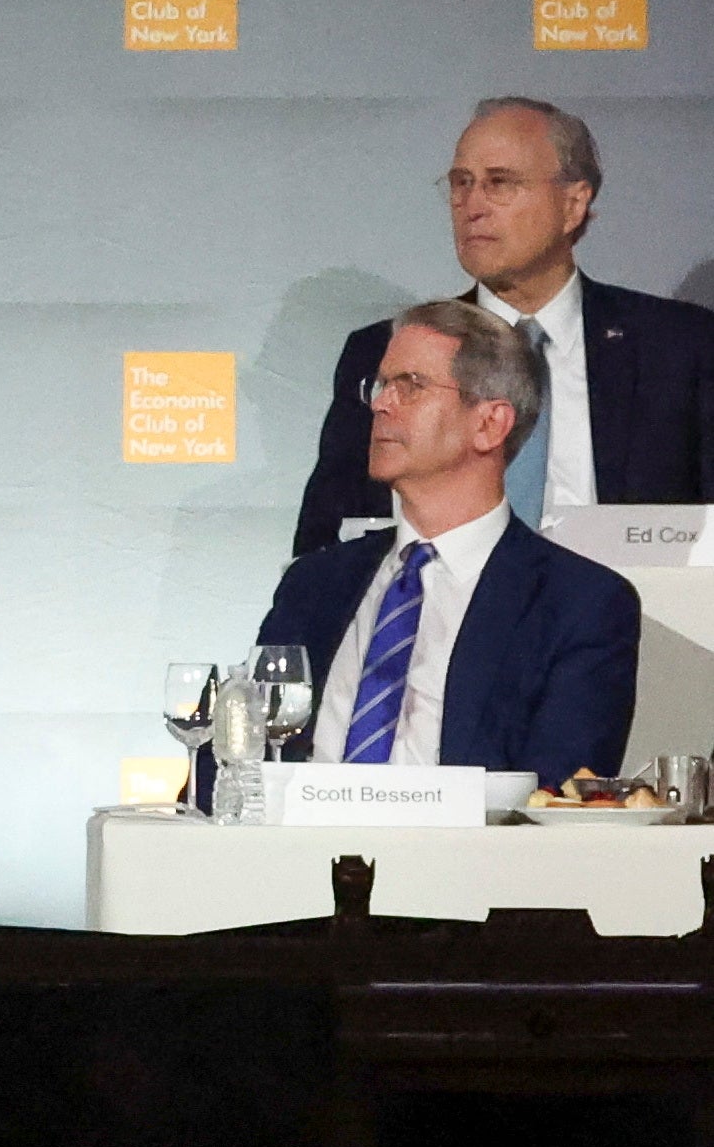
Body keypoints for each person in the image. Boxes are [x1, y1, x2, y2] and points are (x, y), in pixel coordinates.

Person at [293, 96, 714, 554]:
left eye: (500, 183)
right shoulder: (385, 351)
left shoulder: (680, 348)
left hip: (633, 616)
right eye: (461, 183)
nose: (472, 205)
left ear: (573, 205)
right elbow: (324, 550)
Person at [259, 301, 639, 781]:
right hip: (296, 852)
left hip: (466, 854)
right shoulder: (314, 585)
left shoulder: (579, 604)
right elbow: (234, 759)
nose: (380, 404)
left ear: (490, 424)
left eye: (411, 386)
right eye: (381, 385)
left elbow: (555, 796)